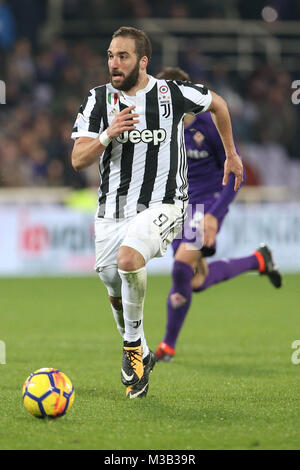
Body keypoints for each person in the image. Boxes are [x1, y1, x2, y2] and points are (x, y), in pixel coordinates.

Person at [70, 28, 243, 399]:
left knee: (130, 259)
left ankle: (132, 349)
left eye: (123, 56)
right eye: (111, 55)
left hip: (164, 203)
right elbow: (77, 159)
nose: (114, 63)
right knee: (115, 290)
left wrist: (231, 153)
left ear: (142, 61)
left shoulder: (172, 94)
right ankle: (141, 351)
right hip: (112, 211)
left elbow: (219, 104)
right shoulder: (98, 100)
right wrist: (107, 134)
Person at [154, 67, 282, 362]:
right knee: (194, 280)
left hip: (206, 205)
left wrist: (214, 214)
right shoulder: (160, 134)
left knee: (181, 265)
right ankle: (258, 260)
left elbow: (238, 172)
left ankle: (167, 347)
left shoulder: (208, 126)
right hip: (177, 210)